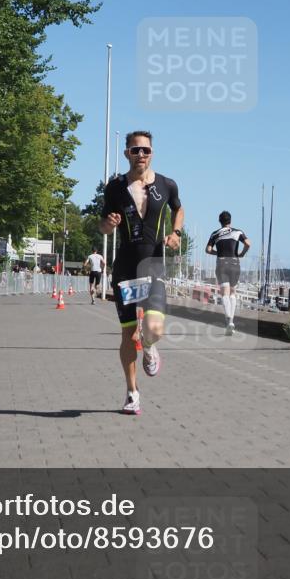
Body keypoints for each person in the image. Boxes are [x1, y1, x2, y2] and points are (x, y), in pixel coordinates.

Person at [100, 131, 183, 415]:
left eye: (145, 150)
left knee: (153, 329)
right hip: (125, 267)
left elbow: (179, 209)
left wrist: (176, 232)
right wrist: (109, 224)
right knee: (128, 334)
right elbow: (102, 225)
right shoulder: (114, 187)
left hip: (153, 265)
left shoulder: (166, 184)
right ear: (127, 153)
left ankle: (149, 346)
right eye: (135, 150)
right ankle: (132, 392)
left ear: (152, 153)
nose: (141, 155)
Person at [206, 211, 250, 335]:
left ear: (220, 221)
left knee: (224, 293)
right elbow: (248, 243)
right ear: (230, 220)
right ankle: (231, 321)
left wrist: (218, 253)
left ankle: (229, 320)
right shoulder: (238, 232)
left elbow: (208, 250)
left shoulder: (215, 234)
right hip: (235, 263)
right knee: (232, 292)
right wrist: (242, 253)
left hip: (222, 263)